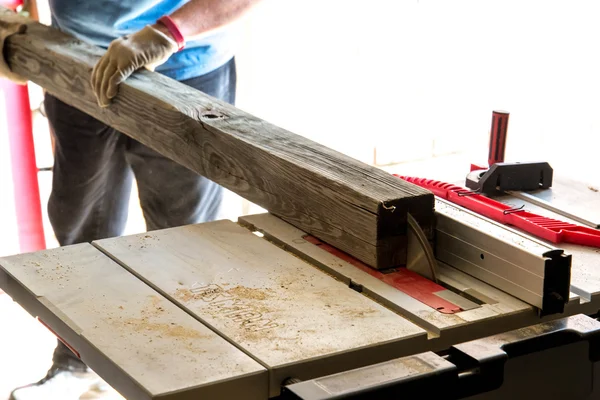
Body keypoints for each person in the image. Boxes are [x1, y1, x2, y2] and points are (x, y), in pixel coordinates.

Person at [0, 0, 261, 398]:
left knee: (185, 241)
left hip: (184, 65)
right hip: (79, 57)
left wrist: (168, 32)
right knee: (81, 224)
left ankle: (181, 376)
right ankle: (79, 361)